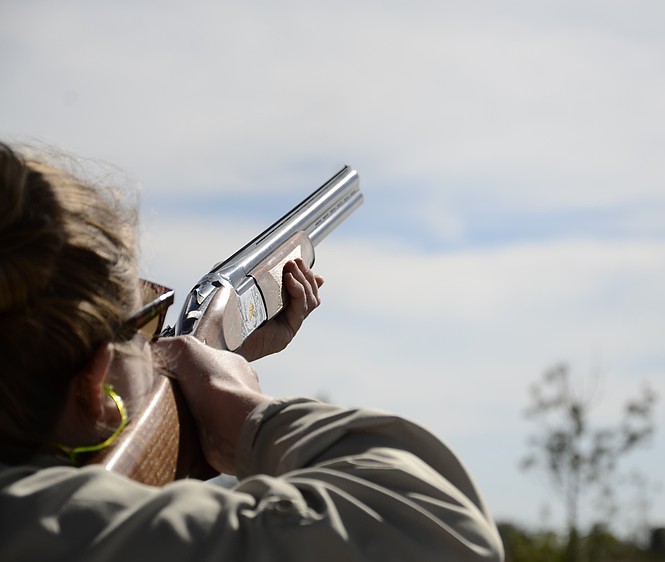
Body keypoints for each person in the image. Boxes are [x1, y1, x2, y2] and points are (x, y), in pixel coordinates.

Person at [0, 141, 504, 562]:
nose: (161, 346)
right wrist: (243, 409)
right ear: (95, 384)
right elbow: (445, 532)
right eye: (148, 322)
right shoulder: (77, 530)